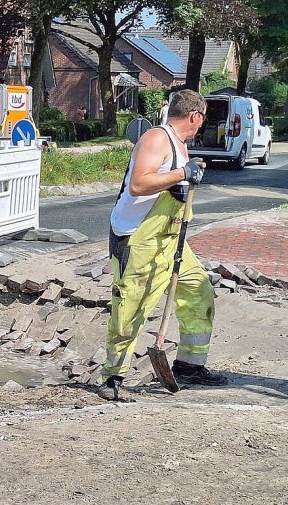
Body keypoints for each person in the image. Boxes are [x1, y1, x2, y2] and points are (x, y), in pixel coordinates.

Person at [98, 89, 225, 401]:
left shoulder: (180, 147)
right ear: (195, 116)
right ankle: (112, 377)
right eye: (202, 118)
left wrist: (186, 175)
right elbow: (140, 184)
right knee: (132, 308)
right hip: (139, 238)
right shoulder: (158, 139)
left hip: (170, 239)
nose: (202, 125)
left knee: (198, 292)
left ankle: (190, 367)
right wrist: (182, 173)